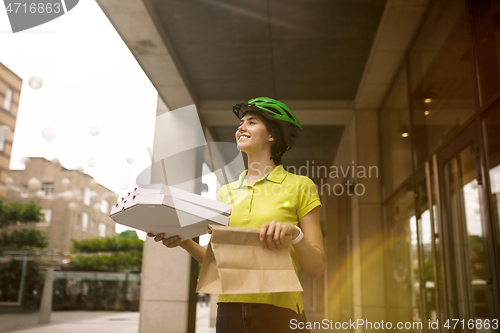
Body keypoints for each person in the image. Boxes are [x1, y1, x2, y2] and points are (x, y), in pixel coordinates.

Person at [148, 97, 325, 333]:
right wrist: (184, 242)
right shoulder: (225, 193)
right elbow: (220, 264)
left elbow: (317, 267)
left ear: (272, 135)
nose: (241, 127)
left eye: (252, 122)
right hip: (230, 310)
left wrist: (295, 233)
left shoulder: (301, 185)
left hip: (280, 310)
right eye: (241, 123)